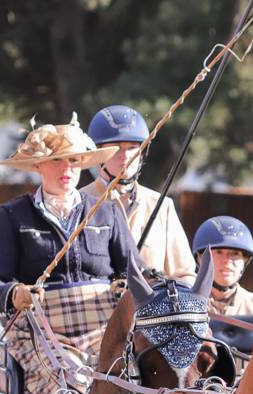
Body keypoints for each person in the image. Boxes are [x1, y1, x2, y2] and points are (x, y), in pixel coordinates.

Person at [0, 114, 141, 394]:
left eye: (74, 160)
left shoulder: (107, 212)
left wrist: (125, 286)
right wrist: (15, 294)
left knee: (132, 387)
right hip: (40, 332)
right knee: (74, 393)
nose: (66, 168)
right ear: (38, 165)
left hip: (106, 329)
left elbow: (138, 274)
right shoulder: (13, 215)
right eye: (56, 160)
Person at [82, 104, 196, 281]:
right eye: (116, 148)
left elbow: (185, 275)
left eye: (132, 148)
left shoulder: (162, 206)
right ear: (99, 152)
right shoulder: (78, 203)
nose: (126, 156)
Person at [192, 216, 253, 316]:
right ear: (200, 258)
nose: (226, 260)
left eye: (235, 253)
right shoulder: (181, 306)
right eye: (219, 252)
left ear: (245, 261)